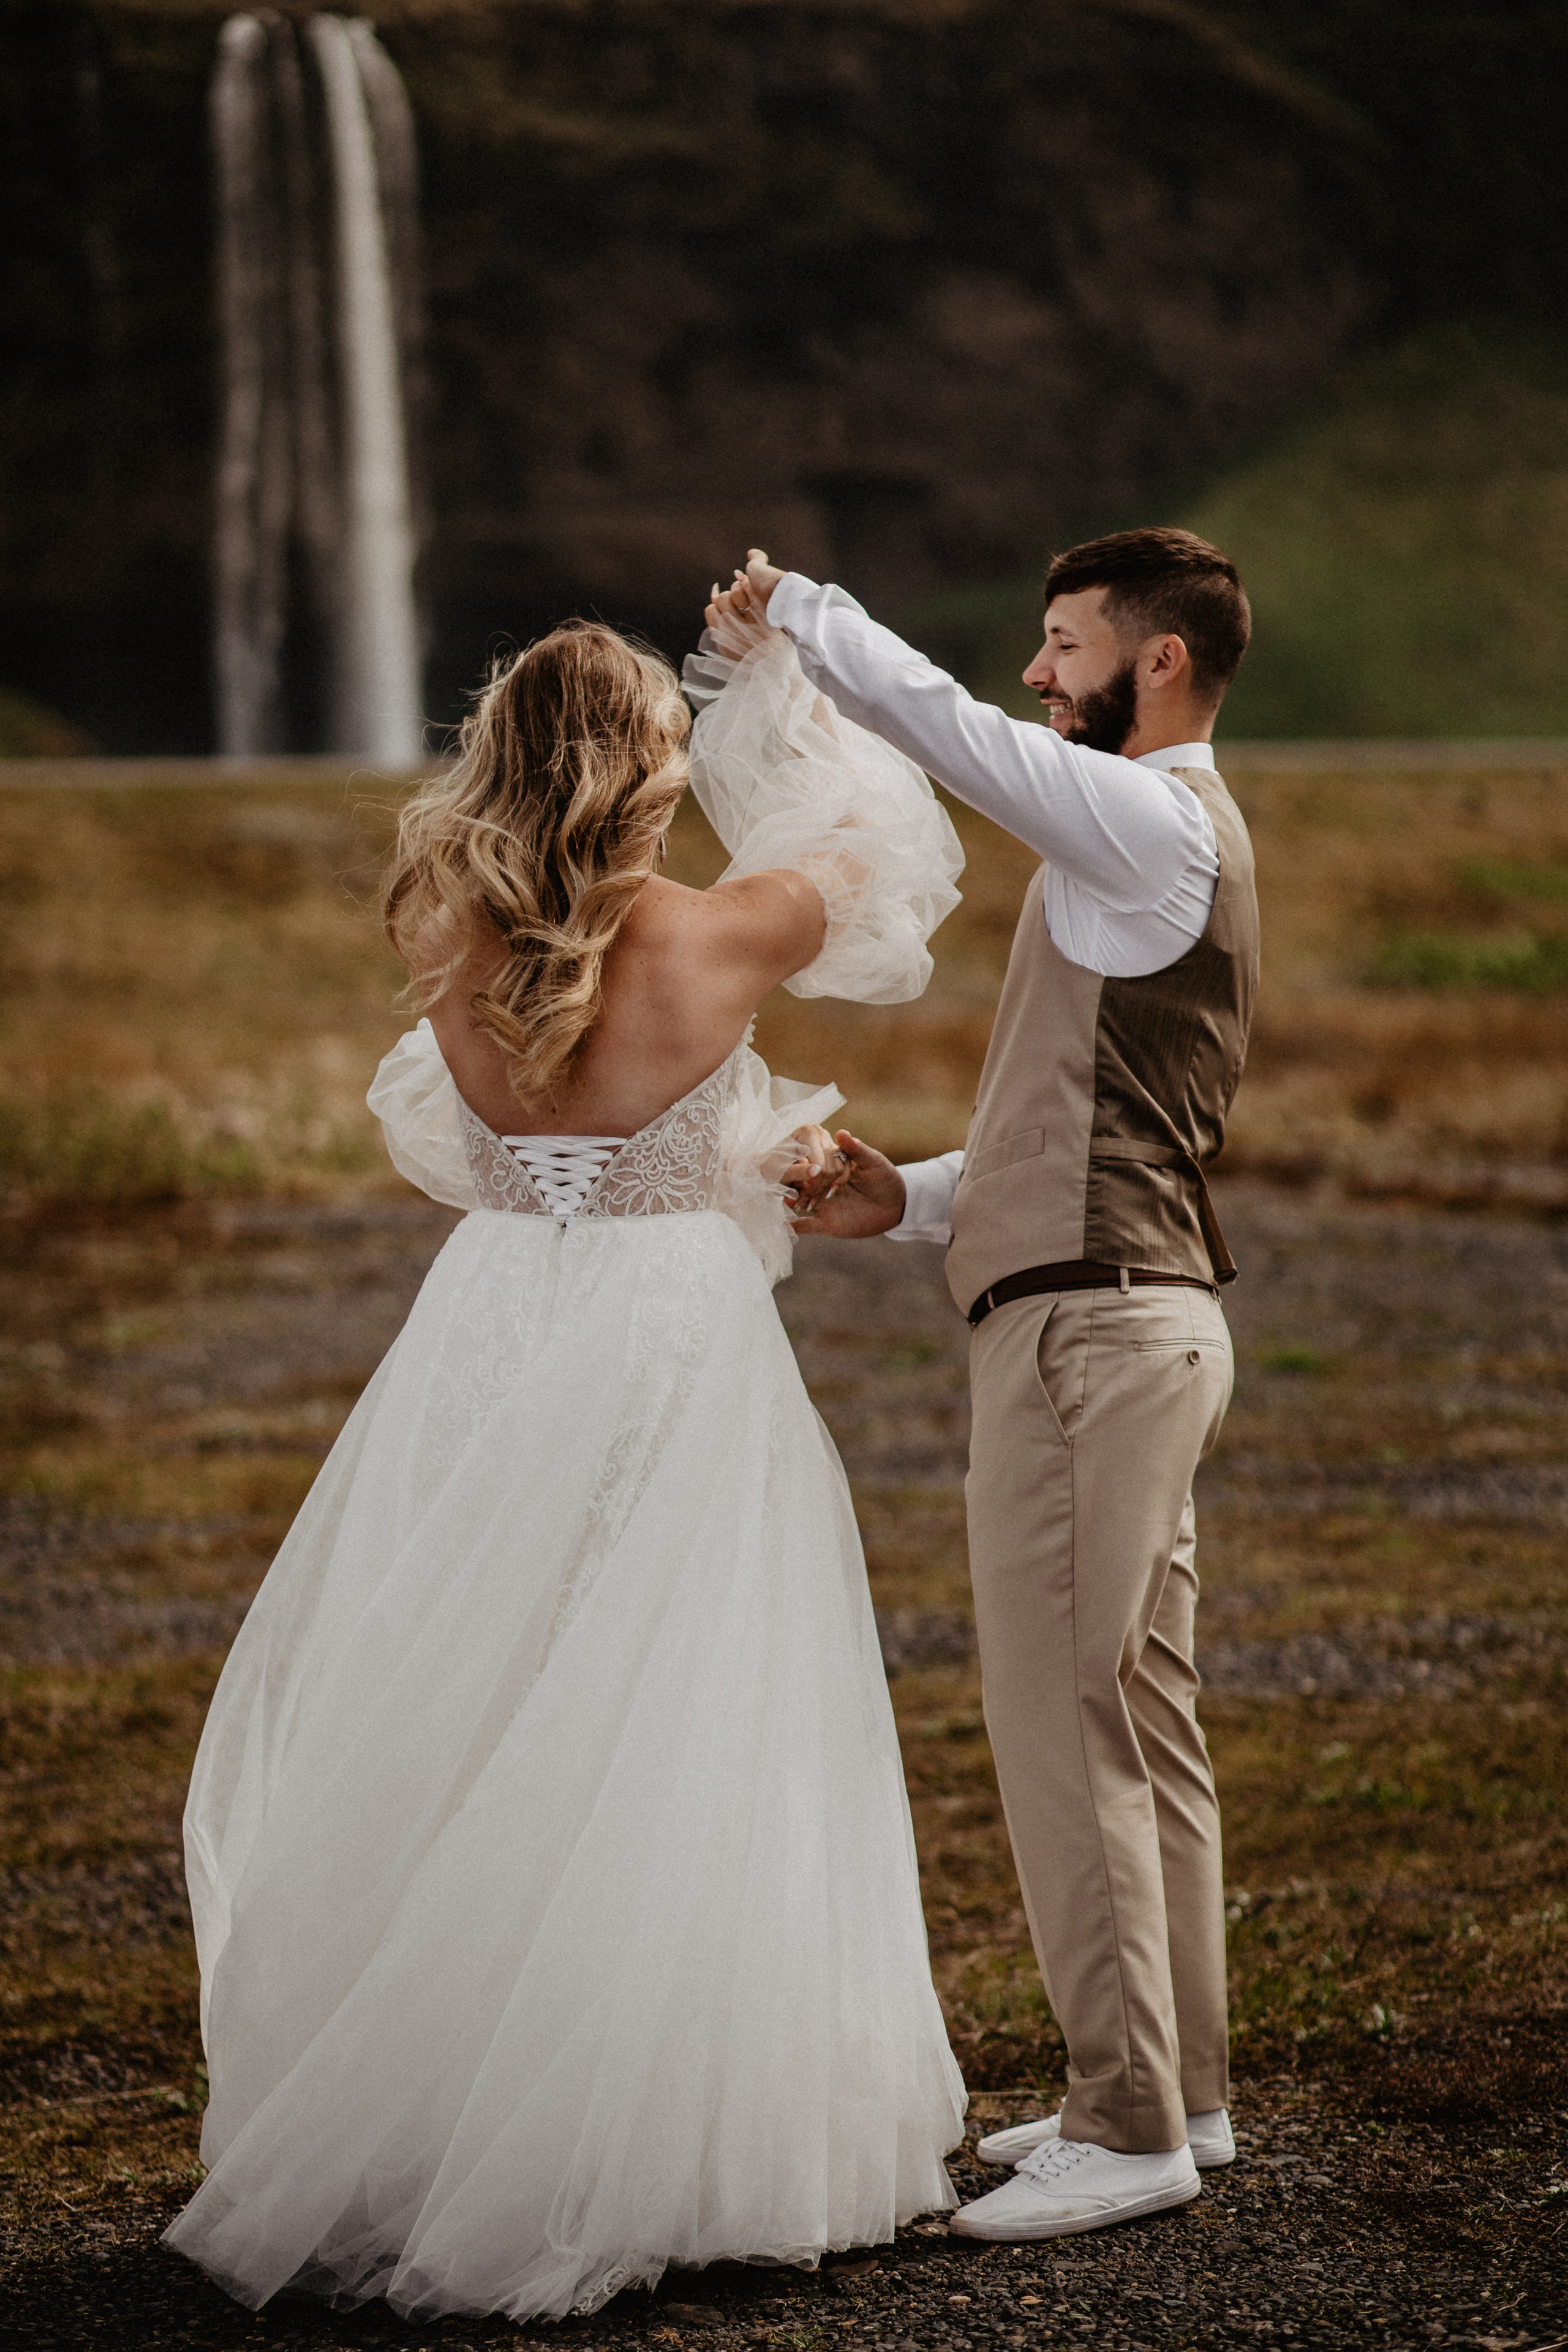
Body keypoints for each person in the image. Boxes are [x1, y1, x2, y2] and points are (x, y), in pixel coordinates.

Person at [162, 618, 967, 2321]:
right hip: (671, 1334)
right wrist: (777, 682)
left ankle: (442, 2095)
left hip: (501, 1316)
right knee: (680, 1687)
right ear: (650, 763)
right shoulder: (723, 931)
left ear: (504, 756)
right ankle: (661, 2121)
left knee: (483, 1674)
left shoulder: (464, 947)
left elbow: (477, 1144)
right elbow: (885, 846)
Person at [706, 529, 1259, 2244]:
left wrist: (801, 614)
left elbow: (957, 735)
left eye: (1064, 641)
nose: (1039, 672)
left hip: (1093, 1342)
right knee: (1142, 1725)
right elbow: (1077, 1131)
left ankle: (1127, 2122)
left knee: (1064, 1722)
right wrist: (909, 1203)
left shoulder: (1155, 817)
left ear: (1155, 662)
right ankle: (1190, 2098)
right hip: (1123, 1308)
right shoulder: (1146, 854)